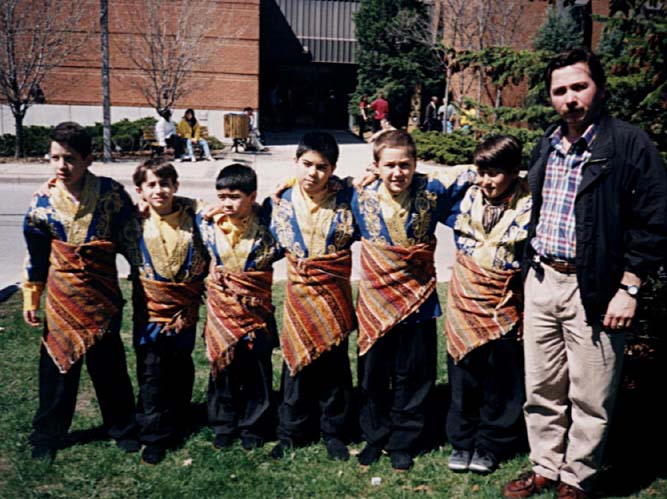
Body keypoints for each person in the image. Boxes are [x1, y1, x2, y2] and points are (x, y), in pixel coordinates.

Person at [502, 48, 667, 499]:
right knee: (542, 387)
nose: (570, 98)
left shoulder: (629, 145)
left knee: (591, 394)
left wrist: (629, 287)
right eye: (560, 91)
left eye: (580, 86)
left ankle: (577, 477)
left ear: (600, 88)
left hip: (595, 287)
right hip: (542, 280)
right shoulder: (548, 143)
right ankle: (544, 466)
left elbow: (654, 222)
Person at [351, 129, 473, 470]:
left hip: (418, 299)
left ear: (416, 165)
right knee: (373, 373)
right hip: (376, 302)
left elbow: (472, 177)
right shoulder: (357, 194)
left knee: (415, 374)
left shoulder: (431, 191)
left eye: (405, 165)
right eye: (389, 165)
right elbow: (316, 186)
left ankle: (404, 440)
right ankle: (375, 435)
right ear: (375, 166)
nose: (397, 173)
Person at [22, 122, 141, 461]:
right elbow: (37, 256)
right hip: (62, 296)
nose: (61, 166)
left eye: (70, 158)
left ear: (88, 159)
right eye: (55, 158)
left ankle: (122, 427)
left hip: (101, 295)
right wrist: (32, 296)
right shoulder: (42, 203)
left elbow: (131, 237)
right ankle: (48, 434)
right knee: (57, 364)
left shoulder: (110, 194)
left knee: (109, 364)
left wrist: (140, 275)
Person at [267, 132, 357, 462]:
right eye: (306, 164)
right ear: (296, 162)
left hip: (333, 297)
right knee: (295, 364)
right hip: (299, 297)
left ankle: (334, 432)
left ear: (332, 170)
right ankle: (291, 432)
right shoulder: (279, 203)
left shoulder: (348, 198)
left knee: (334, 366)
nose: (313, 173)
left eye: (322, 167)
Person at [444, 135, 531, 475]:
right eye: (481, 172)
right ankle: (462, 440)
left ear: (514, 171)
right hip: (465, 299)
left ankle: (492, 443)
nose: (486, 181)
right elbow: (419, 181)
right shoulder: (465, 194)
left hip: (503, 303)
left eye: (494, 174)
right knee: (464, 373)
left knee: (501, 377)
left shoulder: (530, 203)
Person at [198, 164, 281, 451]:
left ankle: (254, 426)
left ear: (252, 196)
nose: (227, 203)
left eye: (234, 197)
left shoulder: (269, 223)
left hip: (255, 311)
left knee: (257, 369)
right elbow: (178, 204)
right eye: (221, 197)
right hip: (222, 310)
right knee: (224, 366)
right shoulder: (208, 222)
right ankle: (224, 424)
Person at [131, 159, 209, 464]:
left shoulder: (195, 218)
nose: (159, 190)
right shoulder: (133, 222)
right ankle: (153, 435)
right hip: (150, 311)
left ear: (176, 186)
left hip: (184, 311)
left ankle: (178, 418)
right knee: (152, 371)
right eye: (151, 185)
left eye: (165, 183)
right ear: (140, 190)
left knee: (180, 366)